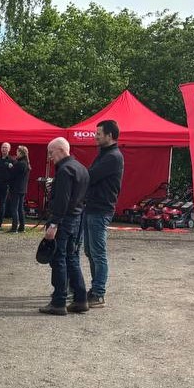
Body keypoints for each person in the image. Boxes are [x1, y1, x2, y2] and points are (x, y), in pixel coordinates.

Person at [39, 137, 90, 316]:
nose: (50, 157)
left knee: (58, 258)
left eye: (51, 153)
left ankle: (59, 301)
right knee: (72, 258)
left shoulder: (65, 170)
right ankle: (80, 299)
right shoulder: (82, 168)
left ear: (60, 150)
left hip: (64, 220)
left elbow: (62, 201)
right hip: (77, 219)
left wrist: (53, 224)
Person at [82, 119, 124, 308]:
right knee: (90, 251)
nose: (95, 135)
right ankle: (95, 289)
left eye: (98, 133)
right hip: (92, 207)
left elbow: (91, 176)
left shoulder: (113, 157)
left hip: (101, 209)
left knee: (98, 253)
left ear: (109, 135)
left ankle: (99, 294)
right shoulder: (104, 154)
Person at [6, 145, 31, 233]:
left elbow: (13, 175)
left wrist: (10, 167)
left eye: (17, 152)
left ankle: (14, 228)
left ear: (21, 153)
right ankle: (22, 227)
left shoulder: (20, 164)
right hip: (22, 189)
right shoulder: (26, 163)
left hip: (16, 189)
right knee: (20, 208)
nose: (16, 153)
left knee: (14, 208)